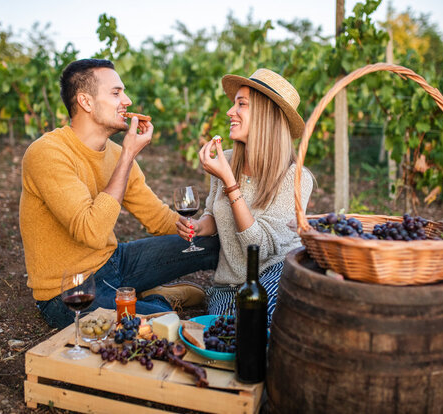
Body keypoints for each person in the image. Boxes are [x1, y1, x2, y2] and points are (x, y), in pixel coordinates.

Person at [19, 59, 219, 329]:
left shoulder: (114, 153)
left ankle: (145, 295)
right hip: (68, 292)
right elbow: (90, 231)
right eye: (116, 93)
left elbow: (156, 217)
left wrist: (199, 227)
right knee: (165, 324)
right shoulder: (48, 153)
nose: (127, 100)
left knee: (217, 244)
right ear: (86, 102)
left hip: (115, 262)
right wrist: (127, 155)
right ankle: (159, 299)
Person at [176, 68, 313, 327]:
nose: (230, 111)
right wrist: (198, 226)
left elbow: (258, 251)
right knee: (222, 335)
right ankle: (167, 300)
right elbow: (213, 214)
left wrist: (230, 182)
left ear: (265, 116)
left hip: (273, 271)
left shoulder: (295, 178)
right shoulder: (226, 160)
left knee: (257, 325)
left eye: (241, 104)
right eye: (233, 103)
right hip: (229, 283)